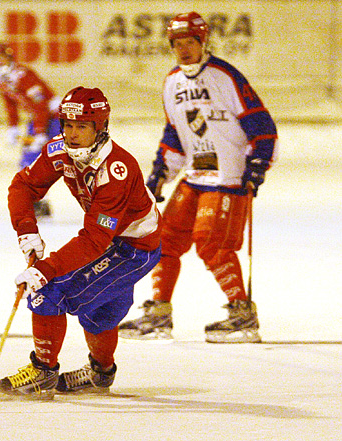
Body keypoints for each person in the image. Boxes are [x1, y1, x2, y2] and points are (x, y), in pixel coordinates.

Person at [118, 12, 277, 343]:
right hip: (195, 176)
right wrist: (161, 172)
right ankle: (159, 314)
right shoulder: (172, 80)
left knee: (212, 243)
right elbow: (175, 133)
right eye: (177, 43)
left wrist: (258, 163)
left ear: (203, 42)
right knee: (164, 241)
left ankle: (242, 315)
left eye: (190, 42)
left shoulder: (226, 76)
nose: (184, 49)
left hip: (228, 178)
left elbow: (262, 125)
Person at [0, 87, 162, 399]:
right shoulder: (60, 150)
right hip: (114, 241)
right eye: (67, 125)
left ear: (100, 128)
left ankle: (43, 371)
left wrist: (45, 268)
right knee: (100, 314)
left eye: (82, 127)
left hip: (133, 248)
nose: (72, 134)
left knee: (48, 290)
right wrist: (26, 229)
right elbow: (23, 185)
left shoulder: (115, 169)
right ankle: (100, 374)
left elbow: (95, 239)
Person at [0, 42, 61, 218]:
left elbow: (40, 103)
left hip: (56, 118)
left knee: (71, 161)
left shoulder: (23, 74)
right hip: (37, 120)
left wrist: (41, 132)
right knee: (29, 161)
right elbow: (11, 105)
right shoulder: (2, 80)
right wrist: (12, 128)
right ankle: (39, 202)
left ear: (8, 56)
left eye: (0, 56)